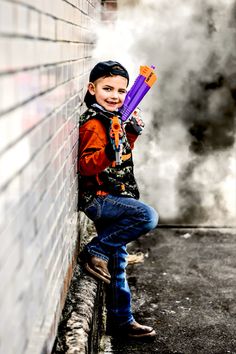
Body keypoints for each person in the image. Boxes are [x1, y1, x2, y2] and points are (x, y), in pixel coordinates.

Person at [78, 60, 158, 340]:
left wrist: (130, 133)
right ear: (92, 88)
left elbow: (121, 155)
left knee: (118, 263)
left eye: (121, 91)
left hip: (114, 196)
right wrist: (109, 153)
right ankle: (95, 250)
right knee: (147, 216)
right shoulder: (94, 123)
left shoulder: (114, 120)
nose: (115, 95)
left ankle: (121, 321)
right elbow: (87, 165)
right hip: (100, 199)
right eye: (107, 88)